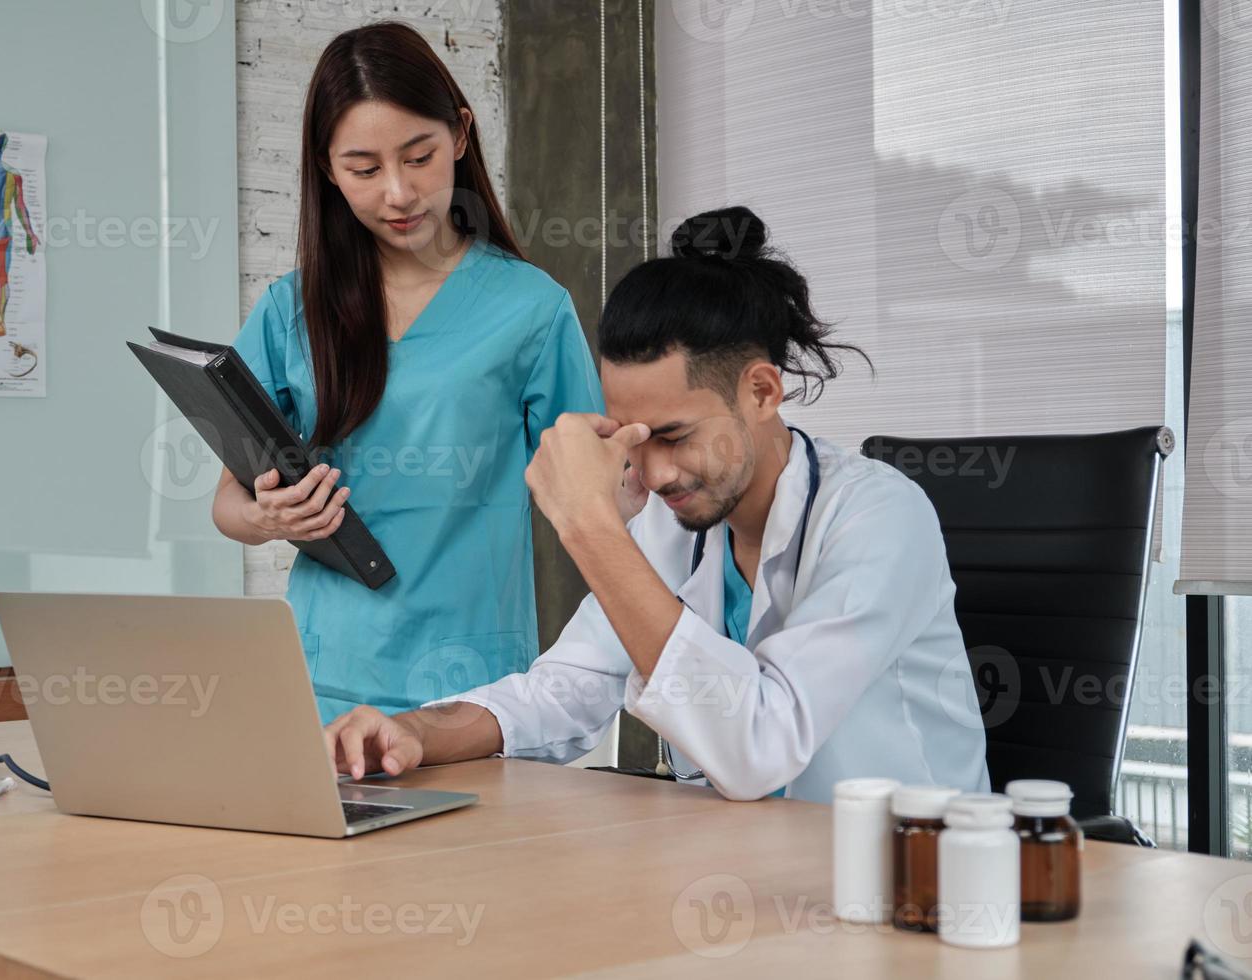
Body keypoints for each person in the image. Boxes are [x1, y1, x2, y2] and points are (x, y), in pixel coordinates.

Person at [321, 206, 991, 802]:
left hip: (908, 882)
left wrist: (590, 525)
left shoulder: (880, 519)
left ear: (761, 393)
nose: (653, 471)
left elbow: (759, 746)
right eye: (631, 440)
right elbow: (564, 690)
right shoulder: (681, 524)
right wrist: (411, 730)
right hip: (751, 871)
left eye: (675, 436)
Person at [213, 22, 603, 721]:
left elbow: (594, 495)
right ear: (328, 169)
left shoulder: (533, 311)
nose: (398, 193)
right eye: (364, 170)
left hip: (468, 692)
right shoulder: (289, 311)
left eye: (418, 157)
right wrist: (266, 516)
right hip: (320, 678)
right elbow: (227, 507)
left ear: (459, 135)